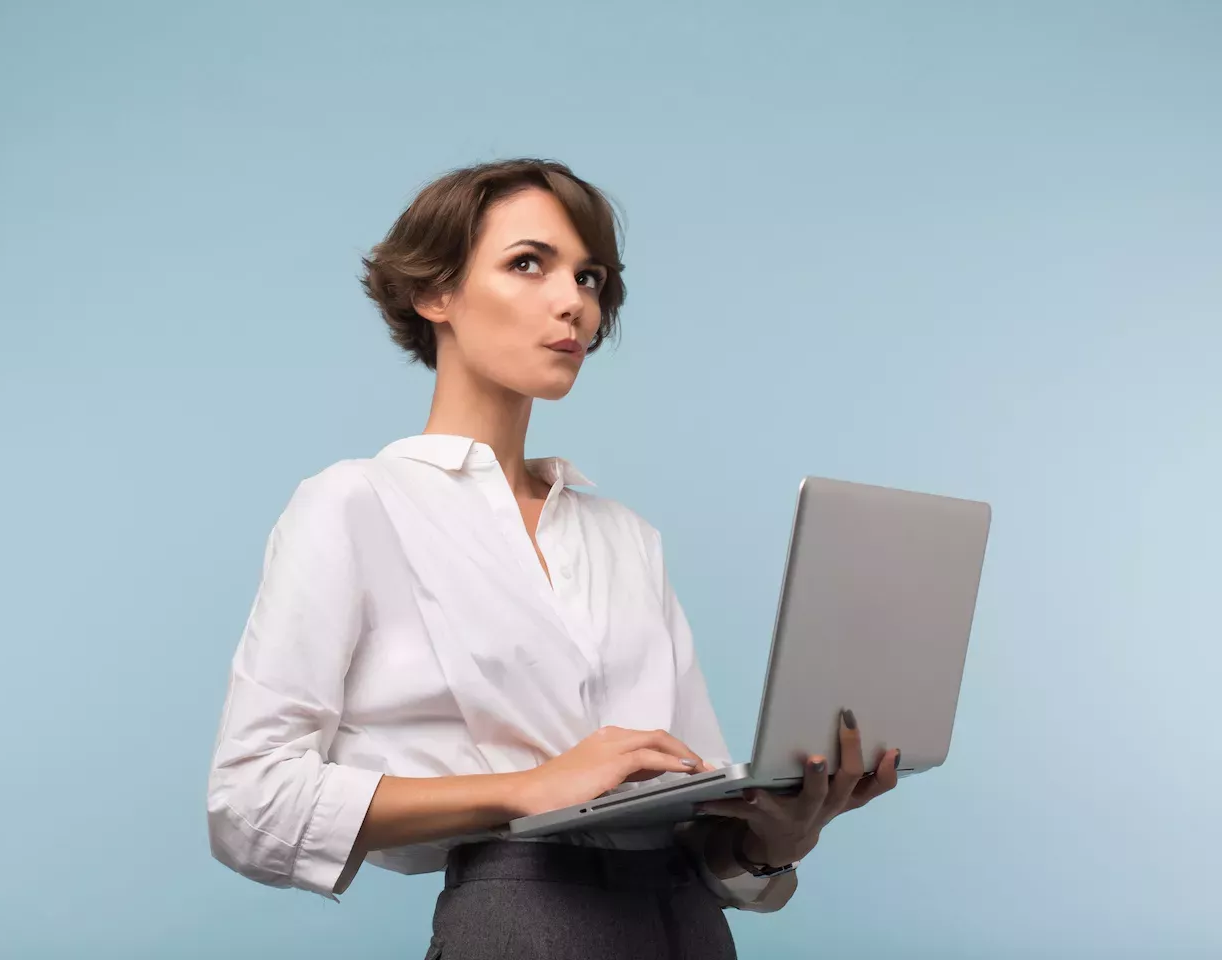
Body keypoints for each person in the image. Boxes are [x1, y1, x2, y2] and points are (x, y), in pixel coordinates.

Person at [206, 158, 901, 959]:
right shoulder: (355, 505)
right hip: (521, 926)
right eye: (528, 263)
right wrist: (526, 790)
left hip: (688, 932)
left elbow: (701, 840)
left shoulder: (626, 537)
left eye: (589, 277)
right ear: (434, 293)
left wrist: (773, 838)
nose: (574, 301)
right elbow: (249, 801)